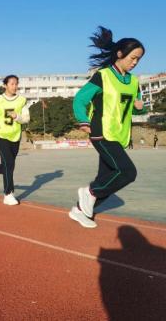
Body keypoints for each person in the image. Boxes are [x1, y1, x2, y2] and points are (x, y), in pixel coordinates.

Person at [70, 26, 146, 228]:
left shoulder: (134, 82)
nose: (135, 62)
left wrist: (139, 107)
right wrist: (83, 120)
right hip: (101, 132)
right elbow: (80, 99)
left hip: (119, 135)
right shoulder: (103, 76)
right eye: (132, 57)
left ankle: (80, 210)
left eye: (138, 59)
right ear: (120, 54)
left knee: (106, 177)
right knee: (128, 172)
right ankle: (89, 192)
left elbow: (129, 109)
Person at [0, 74, 30, 205]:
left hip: (15, 136)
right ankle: (8, 194)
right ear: (5, 85)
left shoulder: (22, 100)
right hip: (0, 135)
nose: (15, 86)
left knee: (9, 165)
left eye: (16, 84)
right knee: (9, 163)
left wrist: (18, 117)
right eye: (12, 84)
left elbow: (27, 118)